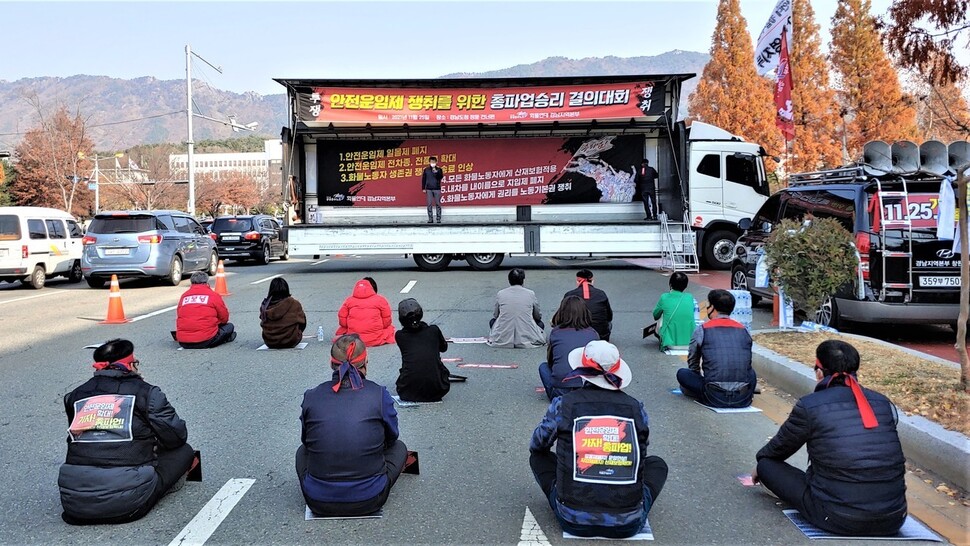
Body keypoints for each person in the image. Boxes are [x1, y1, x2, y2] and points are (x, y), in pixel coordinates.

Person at [754, 340, 907, 536]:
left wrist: (760, 463)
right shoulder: (882, 403)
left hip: (837, 517)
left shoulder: (809, 406)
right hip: (893, 518)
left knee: (766, 465)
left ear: (819, 372)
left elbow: (778, 449)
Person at [530, 340, 668, 539]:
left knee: (539, 456)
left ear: (581, 370)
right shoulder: (636, 407)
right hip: (628, 522)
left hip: (572, 518)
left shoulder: (564, 404)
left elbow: (538, 444)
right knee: (657, 464)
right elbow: (640, 452)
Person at [59, 339, 196, 525]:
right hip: (127, 504)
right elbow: (176, 437)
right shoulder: (146, 392)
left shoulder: (75, 395)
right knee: (185, 451)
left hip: (73, 502)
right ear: (130, 365)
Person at [297, 334, 408, 517]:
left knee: (301, 452)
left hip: (318, 501)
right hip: (370, 499)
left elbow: (307, 442)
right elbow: (392, 436)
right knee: (400, 448)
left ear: (331, 363)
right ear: (365, 361)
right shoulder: (378, 393)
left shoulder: (312, 395)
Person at [676, 289, 756, 408]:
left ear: (712, 307)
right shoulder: (744, 330)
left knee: (682, 373)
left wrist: (697, 378)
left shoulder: (702, 329)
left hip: (713, 396)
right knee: (752, 373)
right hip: (743, 398)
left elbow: (693, 363)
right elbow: (746, 363)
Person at [539, 296, 600, 401]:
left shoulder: (556, 332)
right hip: (587, 389)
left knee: (543, 367)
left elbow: (551, 362)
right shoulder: (593, 334)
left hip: (561, 390)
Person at [394, 298, 451, 402]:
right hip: (437, 391)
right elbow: (444, 348)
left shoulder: (400, 336)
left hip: (408, 392)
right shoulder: (433, 330)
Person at [487, 268, 545, 348]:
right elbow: (537, 316)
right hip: (526, 334)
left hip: (504, 335)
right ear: (523, 280)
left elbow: (496, 315)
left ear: (509, 280)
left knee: (492, 322)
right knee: (540, 324)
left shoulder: (501, 293)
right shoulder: (530, 293)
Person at [175, 271, 235, 349]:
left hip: (183, 341)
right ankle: (226, 338)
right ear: (206, 282)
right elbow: (224, 317)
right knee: (229, 326)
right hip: (205, 340)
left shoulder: (184, 296)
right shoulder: (213, 295)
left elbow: (180, 314)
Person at [336, 277, 396, 347]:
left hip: (354, 339)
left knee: (342, 330)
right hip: (375, 338)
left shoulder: (349, 301)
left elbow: (342, 321)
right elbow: (387, 321)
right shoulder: (380, 300)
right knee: (390, 329)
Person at [563, 269, 613, 341]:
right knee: (609, 324)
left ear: (577, 282)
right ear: (592, 281)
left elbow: (563, 316)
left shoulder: (569, 295)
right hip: (599, 336)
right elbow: (609, 317)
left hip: (575, 334)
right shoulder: (601, 294)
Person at [651, 272, 695, 350]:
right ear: (686, 286)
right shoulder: (689, 297)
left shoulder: (664, 297)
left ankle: (665, 339)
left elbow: (655, 315)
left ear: (670, 284)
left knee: (661, 317)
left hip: (670, 344)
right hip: (690, 344)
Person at [259, 277, 307, 349]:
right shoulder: (294, 303)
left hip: (270, 341)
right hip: (291, 340)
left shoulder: (265, 305)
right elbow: (303, 323)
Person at [421, 156, 444, 223]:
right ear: (429, 162)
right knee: (429, 204)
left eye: (434, 162)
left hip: (437, 188)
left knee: (438, 203)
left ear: (436, 162)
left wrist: (436, 172)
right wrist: (423, 188)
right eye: (431, 162)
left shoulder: (439, 169)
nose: (432, 163)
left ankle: (438, 218)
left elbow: (440, 177)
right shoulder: (426, 170)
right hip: (429, 189)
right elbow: (424, 179)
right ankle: (430, 219)